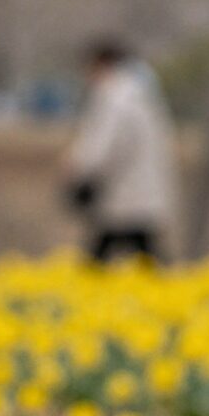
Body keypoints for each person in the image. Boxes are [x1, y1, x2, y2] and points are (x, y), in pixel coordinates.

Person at [65, 40, 176, 262]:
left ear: (102, 64)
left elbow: (105, 143)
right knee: (139, 246)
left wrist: (79, 167)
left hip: (124, 191)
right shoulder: (141, 91)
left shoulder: (115, 95)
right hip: (140, 189)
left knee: (108, 251)